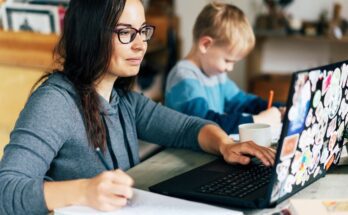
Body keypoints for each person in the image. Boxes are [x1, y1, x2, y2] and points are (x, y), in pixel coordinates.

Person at [0, 0, 276, 214]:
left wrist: (225, 145)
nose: (140, 44)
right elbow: (5, 191)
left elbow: (187, 127)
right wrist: (84, 191)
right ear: (89, 35)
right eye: (124, 33)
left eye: (143, 31)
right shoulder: (54, 103)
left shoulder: (124, 100)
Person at [165, 2, 285, 134]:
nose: (230, 68)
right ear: (205, 45)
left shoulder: (216, 74)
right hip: (181, 152)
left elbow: (242, 102)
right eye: (228, 60)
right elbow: (205, 123)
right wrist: (257, 121)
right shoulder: (184, 77)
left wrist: (279, 108)